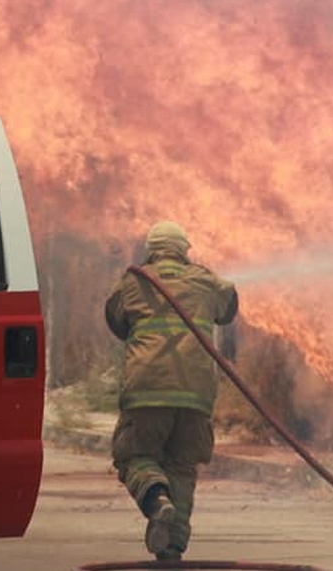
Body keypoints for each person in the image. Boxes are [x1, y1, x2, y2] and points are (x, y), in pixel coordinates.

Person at [104, 220, 239, 561]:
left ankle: (156, 499)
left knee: (133, 456)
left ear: (152, 250)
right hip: (196, 398)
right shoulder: (206, 282)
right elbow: (230, 306)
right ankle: (172, 547)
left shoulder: (135, 282)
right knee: (182, 466)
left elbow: (116, 320)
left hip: (147, 392)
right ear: (184, 250)